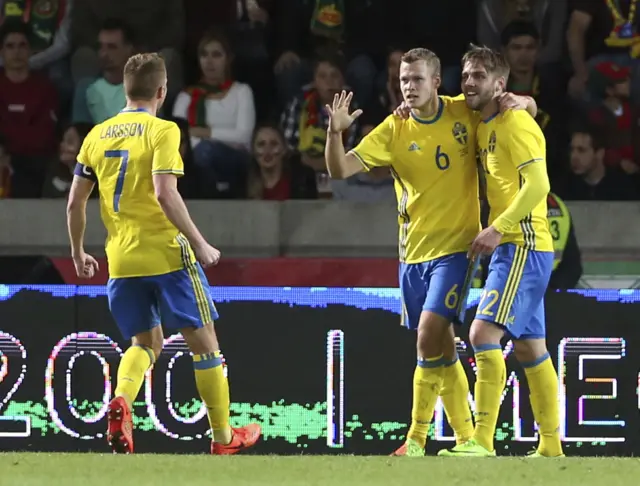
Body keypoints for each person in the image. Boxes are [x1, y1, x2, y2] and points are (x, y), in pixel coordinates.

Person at [323, 47, 536, 457]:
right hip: (412, 255)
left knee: (427, 338)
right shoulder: (393, 129)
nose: (409, 87)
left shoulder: (463, 112)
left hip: (457, 250)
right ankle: (465, 438)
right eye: (404, 80)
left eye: (418, 79)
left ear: (437, 82)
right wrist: (335, 133)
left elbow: (514, 104)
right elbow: (339, 170)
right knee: (441, 347)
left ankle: (416, 438)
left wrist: (524, 100)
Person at [65, 52, 261, 455]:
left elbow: (74, 204)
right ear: (162, 90)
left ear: (124, 88)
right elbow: (164, 191)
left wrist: (78, 251)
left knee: (145, 343)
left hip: (120, 259)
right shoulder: (163, 130)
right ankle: (223, 438)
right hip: (167, 254)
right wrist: (201, 242)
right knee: (206, 345)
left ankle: (122, 401)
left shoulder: (96, 135)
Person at [438, 45, 563, 458]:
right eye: (466, 74)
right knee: (531, 348)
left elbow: (539, 187)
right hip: (519, 246)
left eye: (478, 75)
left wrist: (498, 228)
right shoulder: (484, 120)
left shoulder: (515, 124)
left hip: (521, 243)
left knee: (481, 333)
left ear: (500, 84)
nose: (469, 82)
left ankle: (482, 441)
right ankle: (549, 447)